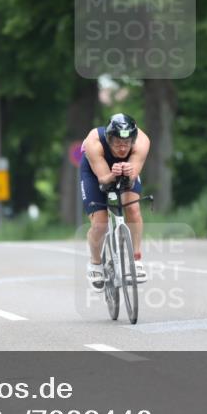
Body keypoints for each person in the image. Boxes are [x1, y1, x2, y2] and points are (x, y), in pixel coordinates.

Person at [80, 113, 150, 289]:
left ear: (133, 140)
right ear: (109, 138)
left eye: (126, 143)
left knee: (133, 209)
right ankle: (95, 264)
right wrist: (113, 174)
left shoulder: (142, 141)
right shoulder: (93, 141)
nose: (122, 148)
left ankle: (136, 259)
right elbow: (103, 179)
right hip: (95, 172)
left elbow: (132, 179)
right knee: (100, 223)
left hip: (126, 170)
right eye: (118, 143)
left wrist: (128, 172)